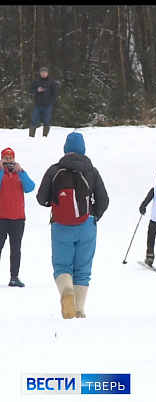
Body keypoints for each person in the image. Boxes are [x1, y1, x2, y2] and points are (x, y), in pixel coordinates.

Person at [36, 132, 109, 319]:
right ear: (83, 149)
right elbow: (104, 199)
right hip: (87, 224)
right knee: (83, 269)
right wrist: (94, 216)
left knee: (62, 266)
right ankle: (78, 309)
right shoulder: (91, 170)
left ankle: (66, 291)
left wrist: (54, 205)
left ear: (66, 149)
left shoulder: (55, 170)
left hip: (60, 225)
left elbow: (41, 198)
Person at [0, 147, 36, 287]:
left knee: (16, 249)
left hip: (18, 218)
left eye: (10, 159)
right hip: (2, 217)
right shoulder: (1, 174)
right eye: (6, 159)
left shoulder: (19, 175)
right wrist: (1, 171)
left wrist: (22, 172)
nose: (8, 162)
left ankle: (14, 276)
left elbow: (30, 187)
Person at [29, 67, 59, 138]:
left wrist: (51, 101)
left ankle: (45, 136)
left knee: (46, 121)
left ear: (47, 73)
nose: (43, 74)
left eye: (45, 72)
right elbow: (30, 90)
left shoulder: (51, 82)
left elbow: (55, 93)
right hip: (37, 105)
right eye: (42, 72)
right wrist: (37, 90)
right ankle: (31, 136)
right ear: (40, 73)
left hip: (48, 105)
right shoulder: (36, 81)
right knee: (34, 120)